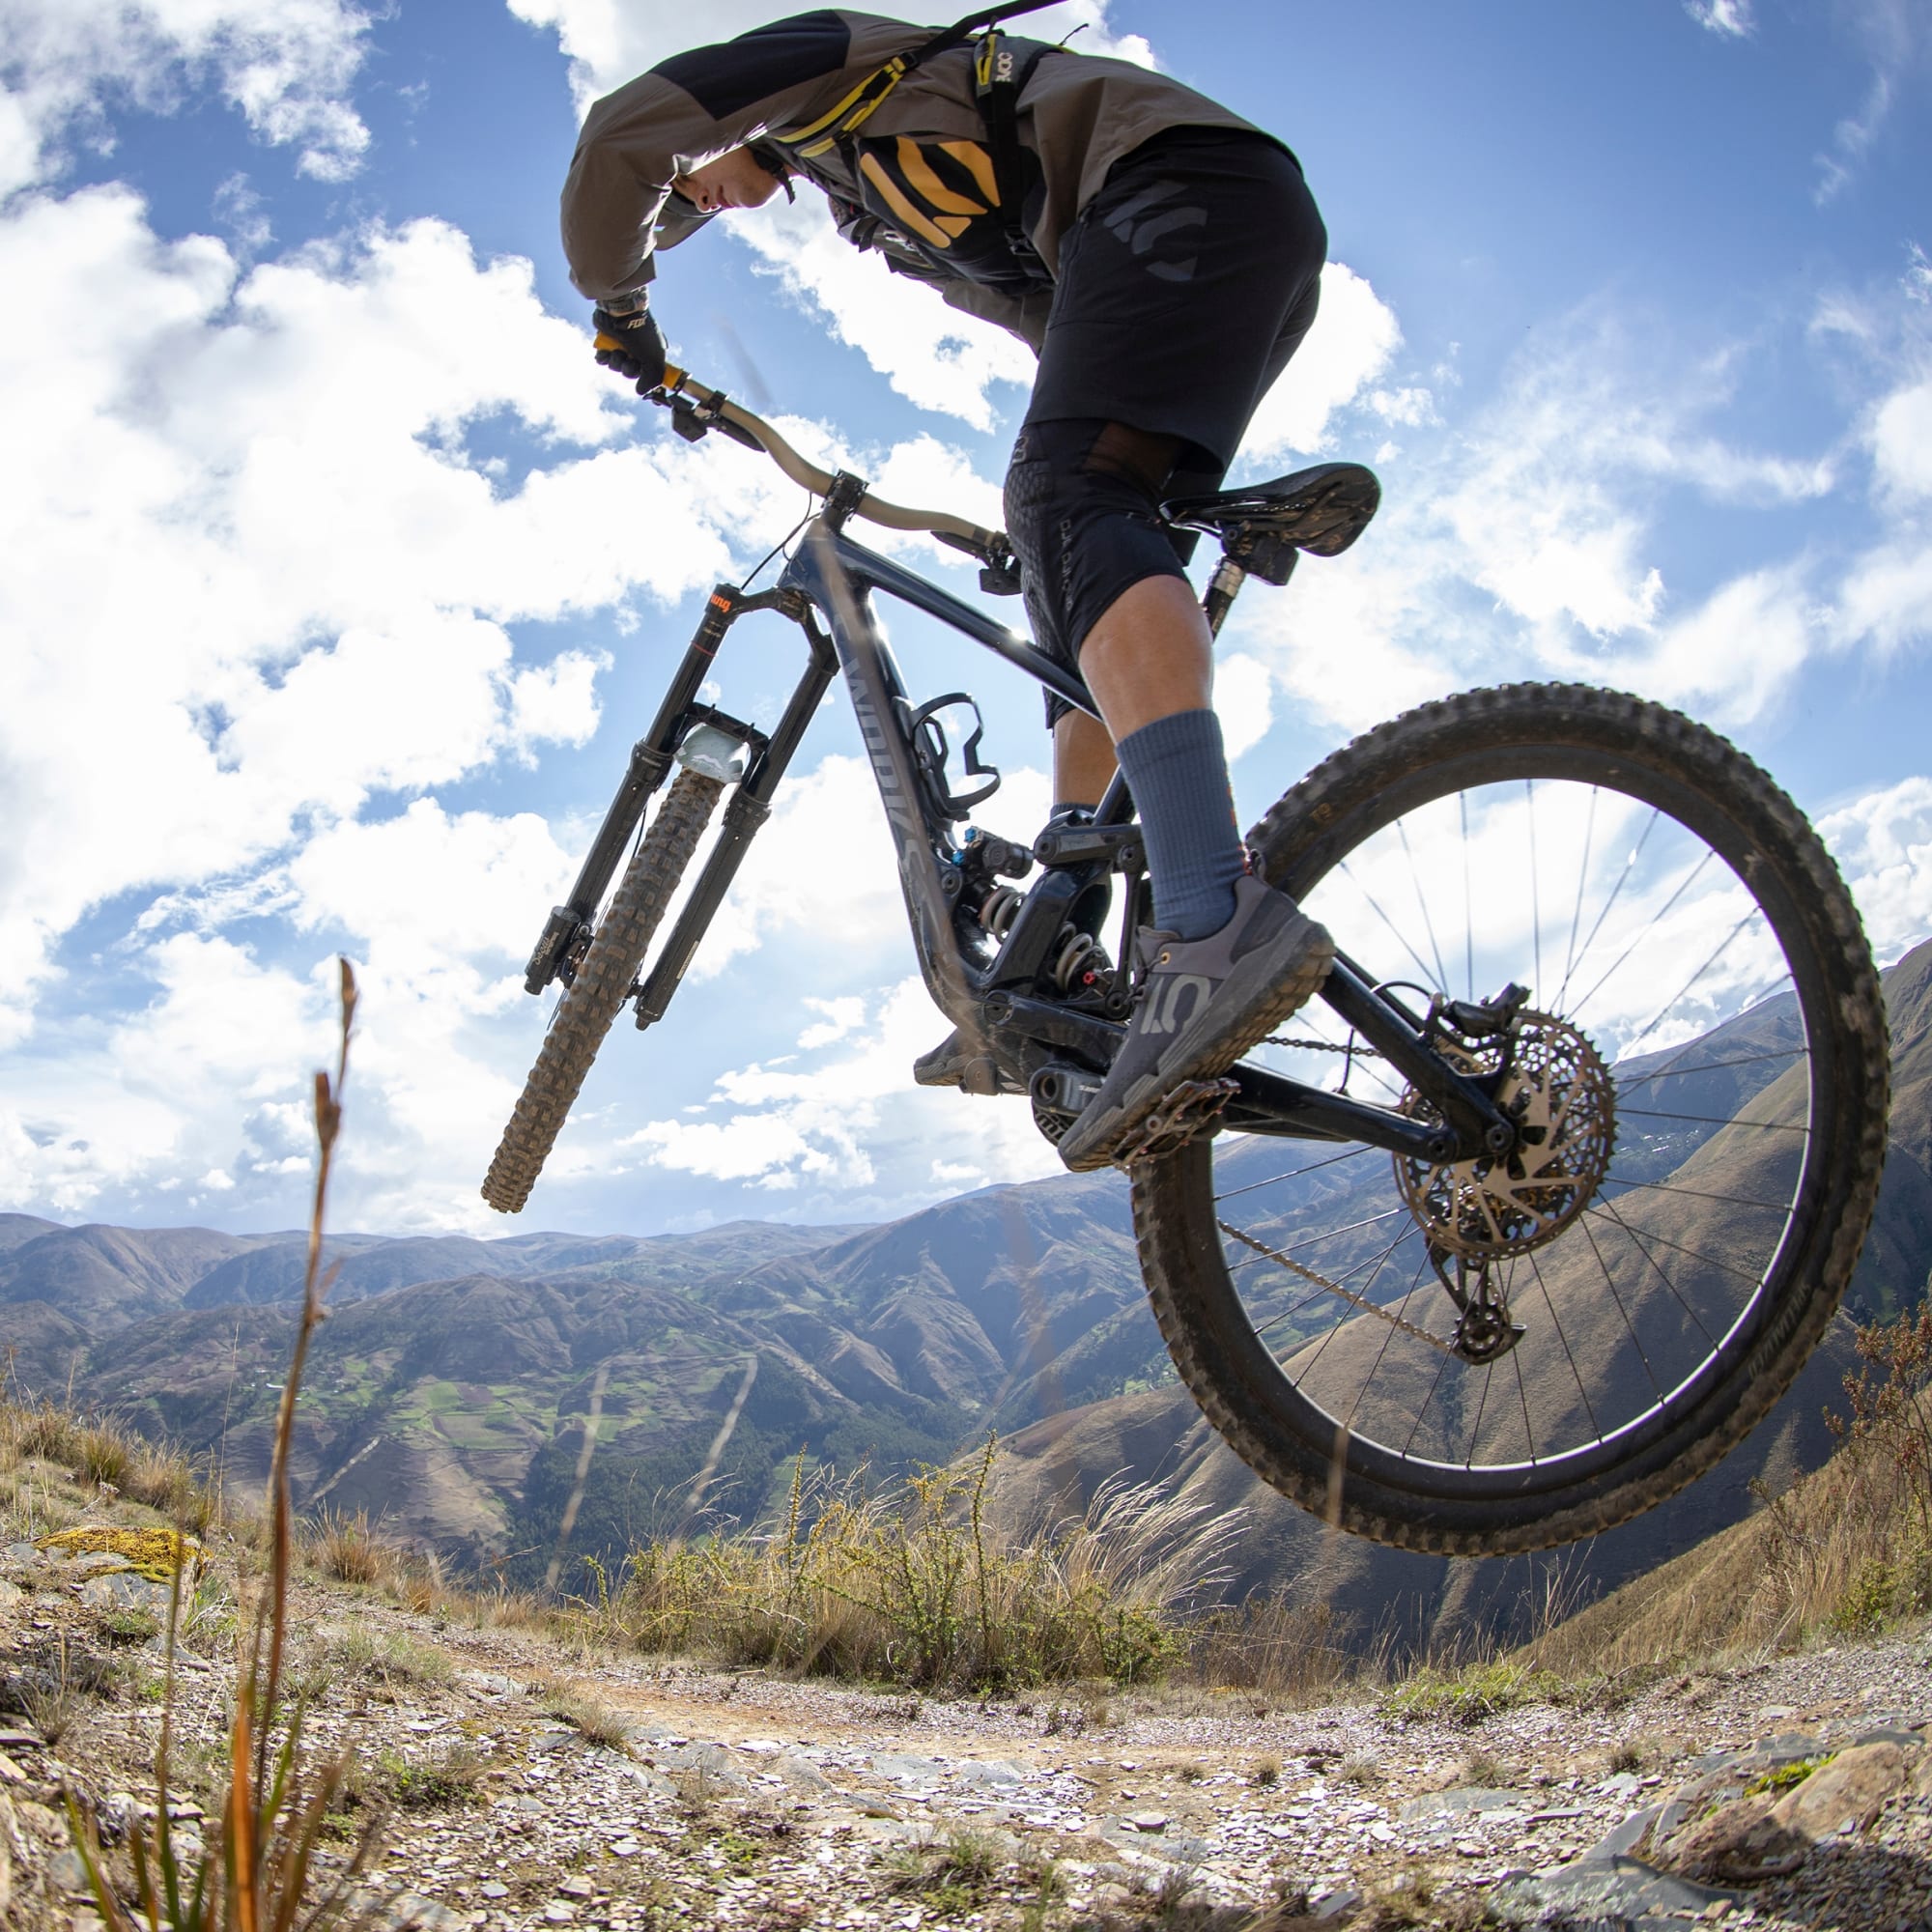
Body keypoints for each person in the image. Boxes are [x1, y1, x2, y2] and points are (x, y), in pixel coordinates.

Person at [560, 7, 1335, 1172]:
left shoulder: (830, 60)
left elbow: (624, 133)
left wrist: (620, 301)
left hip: (1186, 189)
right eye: (685, 211)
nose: (695, 203)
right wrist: (1054, 516)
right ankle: (1064, 930)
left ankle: (1207, 914)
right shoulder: (867, 197)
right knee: (1069, 549)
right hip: (1211, 236)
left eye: (692, 186)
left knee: (1067, 501)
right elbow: (1054, 323)